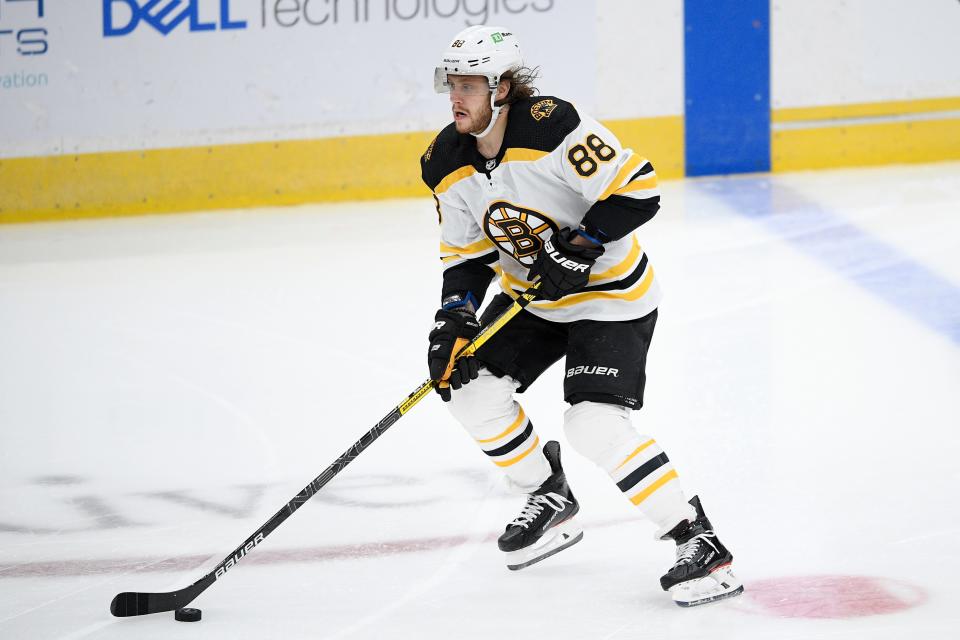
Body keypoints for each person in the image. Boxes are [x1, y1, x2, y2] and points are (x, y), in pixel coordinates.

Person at [421, 25, 743, 607]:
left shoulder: (552, 126)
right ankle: (547, 493)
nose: (455, 96)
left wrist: (584, 242)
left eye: (469, 84)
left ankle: (700, 542)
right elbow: (466, 256)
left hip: (610, 296)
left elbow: (639, 191)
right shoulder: (445, 161)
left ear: (503, 88)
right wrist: (454, 318)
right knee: (467, 389)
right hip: (536, 299)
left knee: (592, 423)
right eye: (452, 83)